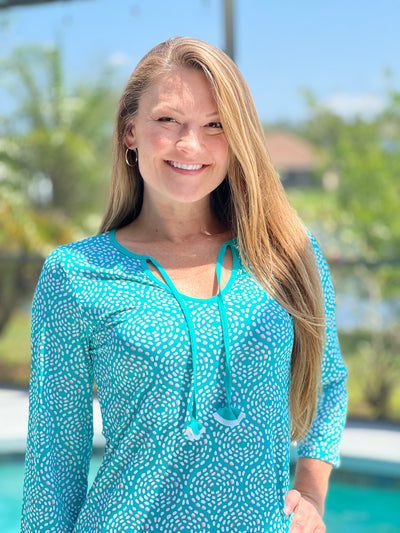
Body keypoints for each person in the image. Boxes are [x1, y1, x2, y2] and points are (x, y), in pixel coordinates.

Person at [21, 36, 347, 532]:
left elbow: (329, 384)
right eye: (168, 120)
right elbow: (54, 464)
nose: (190, 144)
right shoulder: (75, 274)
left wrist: (310, 493)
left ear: (237, 137)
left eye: (215, 125)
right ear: (130, 131)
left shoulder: (288, 256)